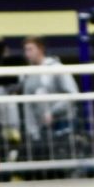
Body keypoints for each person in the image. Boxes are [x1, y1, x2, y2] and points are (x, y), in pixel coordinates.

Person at [20, 36, 79, 165]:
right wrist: (31, 129)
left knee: (63, 160)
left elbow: (72, 93)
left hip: (62, 123)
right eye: (25, 50)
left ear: (41, 49)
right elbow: (27, 104)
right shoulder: (25, 74)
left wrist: (53, 112)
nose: (27, 54)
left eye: (30, 49)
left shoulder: (56, 67)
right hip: (40, 128)